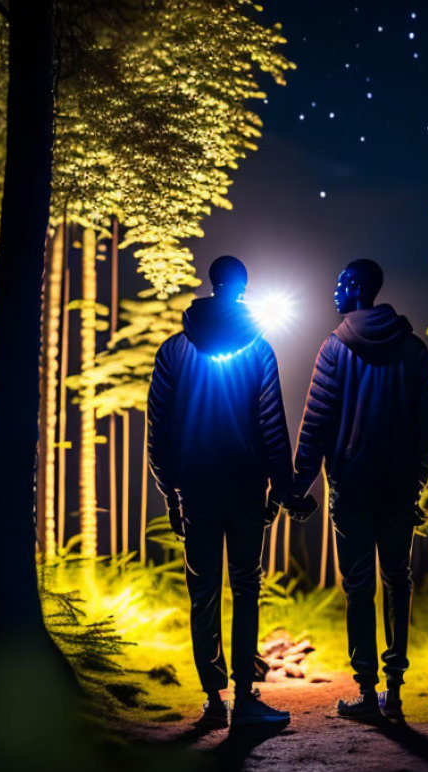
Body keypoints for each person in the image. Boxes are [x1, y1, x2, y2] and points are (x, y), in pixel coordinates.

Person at [147, 255, 293, 727]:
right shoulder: (258, 350)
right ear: (242, 289)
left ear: (210, 284)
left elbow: (159, 432)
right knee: (246, 589)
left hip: (195, 492)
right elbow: (273, 426)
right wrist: (281, 489)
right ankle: (246, 698)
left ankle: (214, 699)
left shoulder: (173, 351)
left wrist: (170, 494)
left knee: (202, 592)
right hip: (248, 489)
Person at [290, 258, 428, 720]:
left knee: (359, 589)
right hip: (397, 492)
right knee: (399, 582)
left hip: (351, 491)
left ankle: (366, 689)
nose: (334, 293)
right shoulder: (413, 350)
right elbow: (426, 427)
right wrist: (415, 483)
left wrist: (298, 487)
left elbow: (314, 425)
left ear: (356, 289)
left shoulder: (334, 349)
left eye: (339, 285)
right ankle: (393, 691)